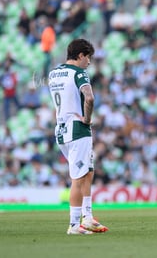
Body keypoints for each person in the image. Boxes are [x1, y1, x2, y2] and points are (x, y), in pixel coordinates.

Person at [48, 38, 108, 235]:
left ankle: (87, 216)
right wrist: (88, 119)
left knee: (87, 171)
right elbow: (89, 97)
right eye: (88, 57)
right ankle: (74, 225)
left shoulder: (54, 73)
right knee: (79, 176)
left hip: (61, 129)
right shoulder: (79, 73)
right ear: (80, 55)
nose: (89, 62)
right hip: (78, 129)